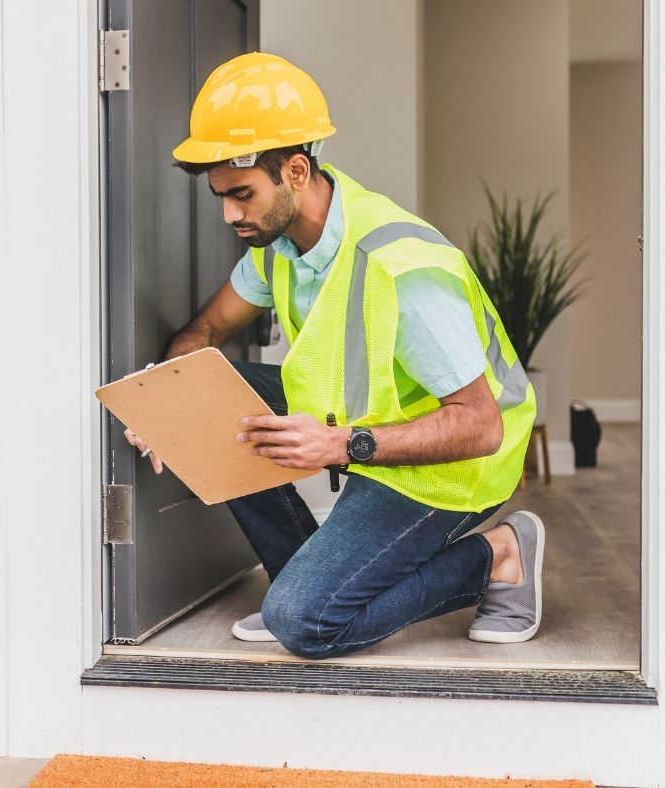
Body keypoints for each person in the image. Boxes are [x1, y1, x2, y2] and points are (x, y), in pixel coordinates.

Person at [124, 52, 544, 658]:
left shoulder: (400, 267)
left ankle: (501, 554)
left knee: (305, 623)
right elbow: (208, 327)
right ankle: (304, 576)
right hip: (370, 435)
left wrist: (344, 444)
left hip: (453, 467)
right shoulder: (279, 245)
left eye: (241, 194)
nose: (228, 214)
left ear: (295, 171)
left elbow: (480, 425)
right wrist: (170, 403)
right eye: (221, 196)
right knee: (211, 394)